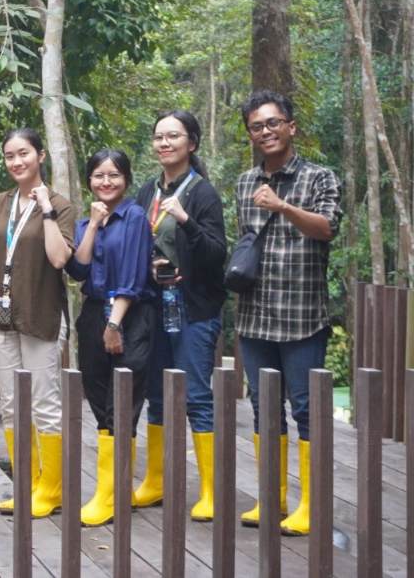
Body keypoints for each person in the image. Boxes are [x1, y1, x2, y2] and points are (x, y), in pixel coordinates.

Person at [234, 90, 341, 536]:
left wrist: (282, 207)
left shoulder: (320, 177)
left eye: (273, 123)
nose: (266, 132)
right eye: (257, 126)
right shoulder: (244, 182)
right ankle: (272, 498)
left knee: (306, 409)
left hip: (301, 318)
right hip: (254, 317)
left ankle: (311, 505)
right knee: (263, 410)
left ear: (291, 127)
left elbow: (327, 228)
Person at [129, 111, 227, 521]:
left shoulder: (203, 194)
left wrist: (185, 220)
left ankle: (210, 490)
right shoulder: (146, 191)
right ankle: (154, 481)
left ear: (192, 143)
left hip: (193, 309)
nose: (165, 143)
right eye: (159, 137)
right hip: (153, 308)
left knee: (198, 397)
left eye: (174, 136)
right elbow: (134, 240)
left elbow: (215, 253)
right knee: (156, 392)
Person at [0, 128, 75, 518]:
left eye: (24, 154)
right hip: (2, 318)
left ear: (41, 156)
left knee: (44, 403)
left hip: (41, 315)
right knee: (12, 404)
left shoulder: (61, 204)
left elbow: (59, 258)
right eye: (10, 156)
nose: (17, 162)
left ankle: (52, 488)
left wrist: (46, 207)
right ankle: (28, 483)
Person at [66, 149, 153, 527]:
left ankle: (111, 494)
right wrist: (96, 225)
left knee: (124, 401)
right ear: (89, 181)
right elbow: (78, 270)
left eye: (114, 175)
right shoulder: (88, 222)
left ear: (126, 179)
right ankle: (112, 490)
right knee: (99, 397)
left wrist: (114, 325)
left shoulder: (134, 216)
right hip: (92, 312)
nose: (106, 182)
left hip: (128, 316)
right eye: (99, 175)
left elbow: (133, 276)